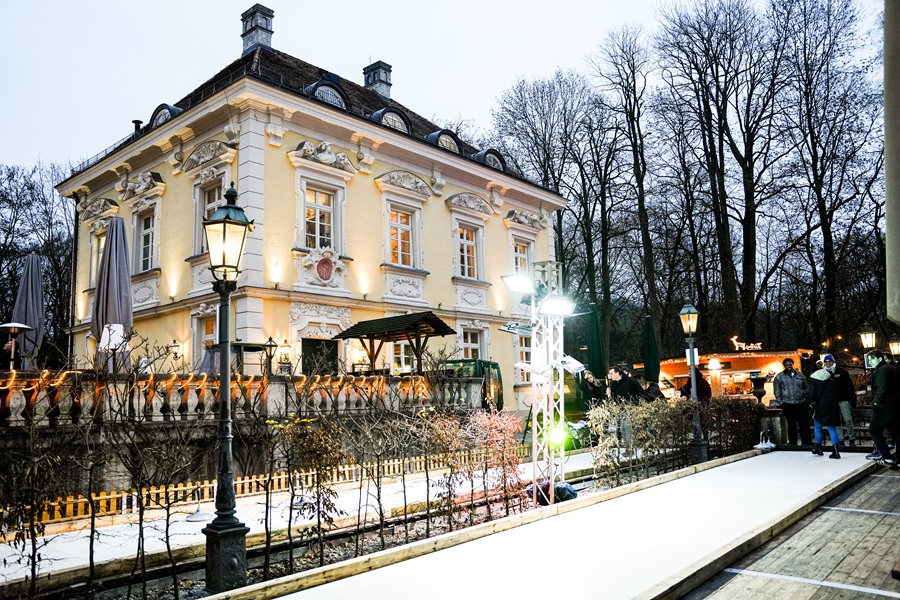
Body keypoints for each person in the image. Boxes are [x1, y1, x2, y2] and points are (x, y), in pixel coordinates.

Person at [806, 354, 851, 458]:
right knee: (832, 428)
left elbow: (811, 394)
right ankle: (835, 451)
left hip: (820, 407)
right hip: (832, 406)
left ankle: (818, 448)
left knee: (818, 427)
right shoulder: (830, 380)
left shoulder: (814, 380)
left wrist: (807, 403)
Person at [866, 350, 900, 468]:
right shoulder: (891, 369)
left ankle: (887, 457)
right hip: (894, 406)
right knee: (897, 433)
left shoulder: (882, 370)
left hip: (884, 406)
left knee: (874, 430)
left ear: (879, 359)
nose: (870, 362)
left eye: (871, 359)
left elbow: (882, 389)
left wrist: (876, 402)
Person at [773, 357, 811, 445]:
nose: (789, 366)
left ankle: (807, 441)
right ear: (784, 366)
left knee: (804, 424)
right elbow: (777, 390)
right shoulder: (779, 377)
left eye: (790, 364)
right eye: (787, 365)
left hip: (801, 403)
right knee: (791, 424)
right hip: (788, 403)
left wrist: (806, 399)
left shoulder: (800, 375)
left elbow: (806, 388)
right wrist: (781, 402)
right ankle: (793, 441)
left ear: (792, 364)